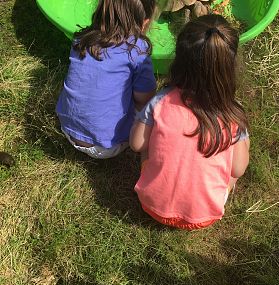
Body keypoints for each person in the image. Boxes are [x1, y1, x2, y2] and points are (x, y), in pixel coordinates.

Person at [130, 14, 250, 230]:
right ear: (228, 67)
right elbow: (238, 169)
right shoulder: (233, 114)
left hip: (151, 205)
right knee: (239, 149)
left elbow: (137, 144)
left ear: (179, 59)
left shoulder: (162, 99)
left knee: (147, 149)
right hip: (204, 217)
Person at [56, 0, 157, 159]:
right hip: (106, 146)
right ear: (144, 23)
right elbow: (145, 98)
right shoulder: (138, 50)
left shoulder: (82, 38)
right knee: (150, 105)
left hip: (67, 127)